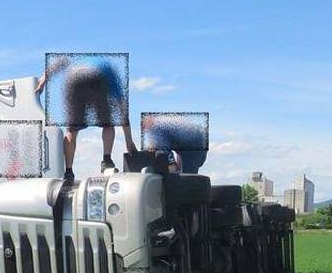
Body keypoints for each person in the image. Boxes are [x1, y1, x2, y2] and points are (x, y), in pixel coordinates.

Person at [35, 55, 137, 185]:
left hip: (73, 79)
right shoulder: (112, 77)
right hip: (98, 77)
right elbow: (122, 111)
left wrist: (43, 80)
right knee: (108, 125)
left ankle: (68, 171)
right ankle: (106, 161)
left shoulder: (77, 62)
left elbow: (60, 62)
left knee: (72, 130)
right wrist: (129, 140)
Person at [141, 113, 208, 174]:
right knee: (186, 174)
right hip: (198, 141)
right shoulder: (164, 121)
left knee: (187, 178)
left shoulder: (156, 128)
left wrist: (171, 163)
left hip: (193, 146)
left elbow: (164, 150)